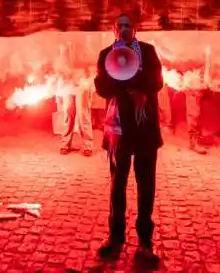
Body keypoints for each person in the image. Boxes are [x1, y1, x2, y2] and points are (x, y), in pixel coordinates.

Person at [95, 14, 163, 263]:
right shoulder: (105, 54)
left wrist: (133, 76)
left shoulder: (148, 51)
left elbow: (157, 82)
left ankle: (145, 243)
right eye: (119, 26)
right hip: (119, 130)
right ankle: (115, 238)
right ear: (114, 29)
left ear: (136, 28)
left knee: (146, 187)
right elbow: (101, 88)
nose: (123, 30)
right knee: (117, 186)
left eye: (128, 25)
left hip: (143, 128)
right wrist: (116, 70)